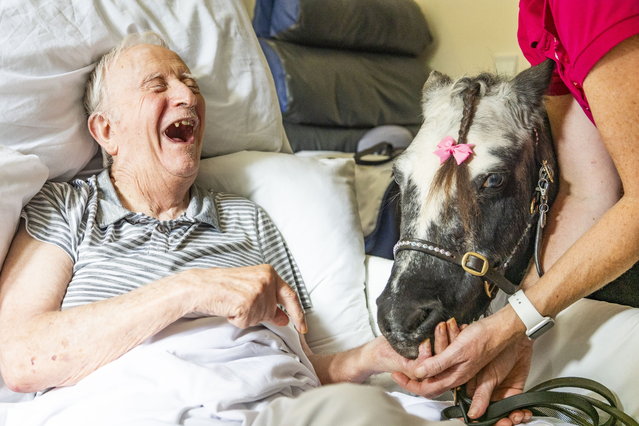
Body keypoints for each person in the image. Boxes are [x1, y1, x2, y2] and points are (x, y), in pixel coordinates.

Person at [0, 33, 461, 425]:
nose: (186, 97)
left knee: (365, 413)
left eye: (189, 84)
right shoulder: (65, 208)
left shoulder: (246, 219)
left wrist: (373, 358)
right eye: (157, 85)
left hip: (270, 406)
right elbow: (22, 358)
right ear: (105, 131)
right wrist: (191, 290)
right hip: (134, 406)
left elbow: (299, 363)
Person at [391, 1, 639, 424]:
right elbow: (585, 191)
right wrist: (521, 332)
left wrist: (509, 324)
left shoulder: (592, 8)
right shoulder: (539, 19)